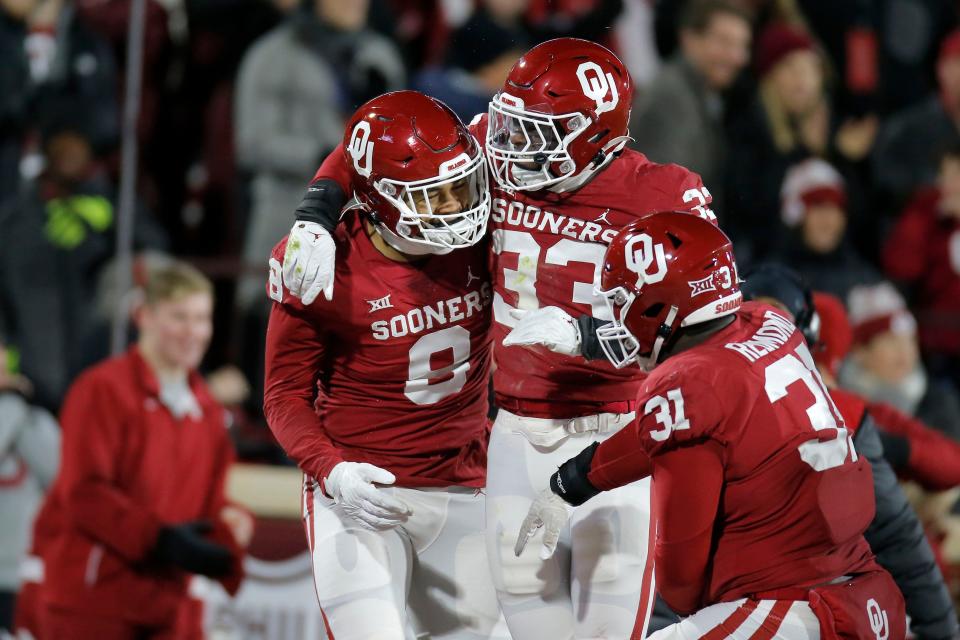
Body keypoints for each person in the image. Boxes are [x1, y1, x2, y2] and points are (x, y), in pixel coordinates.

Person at [281, 39, 717, 639]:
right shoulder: (495, 151)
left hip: (616, 428)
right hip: (514, 437)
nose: (511, 143)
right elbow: (368, 148)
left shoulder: (662, 193)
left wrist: (594, 336)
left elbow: (708, 319)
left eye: (538, 131)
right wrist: (317, 210)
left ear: (595, 135)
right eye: (514, 123)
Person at [515, 211, 907, 639]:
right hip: (865, 596)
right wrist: (573, 481)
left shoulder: (687, 383)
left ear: (660, 305)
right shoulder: (768, 323)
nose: (619, 319)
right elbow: (670, 426)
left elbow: (681, 579)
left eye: (624, 302)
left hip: (792, 611)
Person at [262, 90, 506, 640]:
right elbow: (283, 396)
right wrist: (331, 470)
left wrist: (317, 202)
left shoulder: (485, 237)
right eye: (433, 194)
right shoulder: (327, 264)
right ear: (381, 199)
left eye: (460, 186)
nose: (455, 205)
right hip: (362, 491)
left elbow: (354, 154)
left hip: (465, 481)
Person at [740, 263, 960, 640]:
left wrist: (891, 447)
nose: (902, 352)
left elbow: (947, 469)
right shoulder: (728, 407)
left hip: (839, 594)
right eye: (888, 341)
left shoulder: (860, 408)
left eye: (906, 340)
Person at [33, 261, 245, 639]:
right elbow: (85, 492)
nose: (193, 332)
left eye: (202, 318)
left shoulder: (209, 412)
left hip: (169, 606)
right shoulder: (102, 389)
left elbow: (209, 506)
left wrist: (229, 541)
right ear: (143, 316)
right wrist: (159, 539)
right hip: (94, 603)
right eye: (179, 317)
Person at [629, 0, 752, 217]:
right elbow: (663, 201)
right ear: (689, 39)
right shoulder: (670, 99)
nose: (738, 57)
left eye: (742, 45)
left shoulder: (702, 92)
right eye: (725, 42)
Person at [0, 339, 59, 633]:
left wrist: (15, 405)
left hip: (19, 576)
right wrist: (8, 406)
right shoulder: (14, 411)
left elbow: (60, 477)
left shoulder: (34, 420)